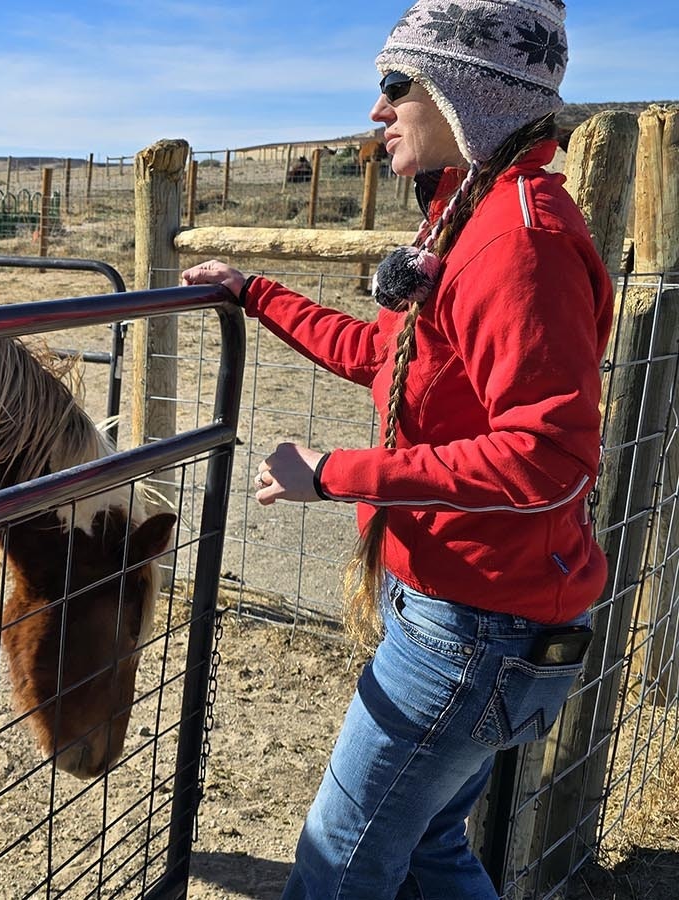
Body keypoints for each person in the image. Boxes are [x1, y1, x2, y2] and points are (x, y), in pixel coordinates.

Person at [182, 1, 612, 897]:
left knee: (339, 867)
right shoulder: (472, 215)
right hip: (475, 618)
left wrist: (335, 474)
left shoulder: (517, 245)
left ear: (467, 93)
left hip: (472, 627)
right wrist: (255, 292)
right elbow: (388, 359)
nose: (377, 111)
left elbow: (546, 459)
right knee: (426, 850)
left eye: (394, 85)